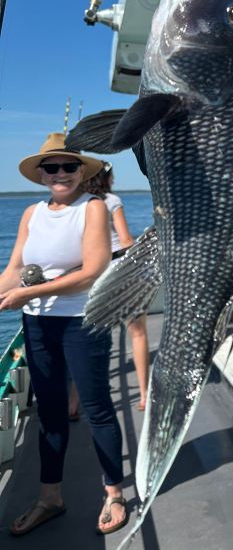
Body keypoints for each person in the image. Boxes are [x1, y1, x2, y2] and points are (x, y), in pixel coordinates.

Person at [0, 132, 128, 537]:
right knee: (50, 414)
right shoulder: (31, 214)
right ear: (41, 175)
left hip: (81, 321)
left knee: (96, 407)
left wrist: (26, 293)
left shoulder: (93, 209)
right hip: (36, 324)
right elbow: (14, 268)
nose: (61, 174)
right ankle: (50, 497)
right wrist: (8, 290)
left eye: (69, 166)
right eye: (52, 167)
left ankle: (113, 492)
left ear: (81, 172)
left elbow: (92, 271)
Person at [70, 163, 150, 412]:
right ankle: (145, 395)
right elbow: (125, 240)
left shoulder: (80, 204)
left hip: (90, 271)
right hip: (119, 268)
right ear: (107, 177)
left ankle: (73, 404)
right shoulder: (111, 200)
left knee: (87, 335)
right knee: (137, 332)